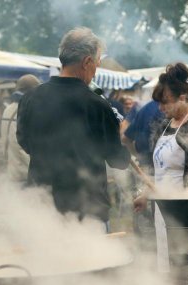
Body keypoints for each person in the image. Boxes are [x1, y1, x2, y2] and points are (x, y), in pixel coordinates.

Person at [17, 27, 129, 224]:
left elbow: (24, 142)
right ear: (87, 62)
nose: (95, 71)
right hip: (86, 211)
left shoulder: (30, 98)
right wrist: (123, 139)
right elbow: (117, 160)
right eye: (97, 63)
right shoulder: (97, 104)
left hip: (41, 205)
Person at [133, 63, 188, 272]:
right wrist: (146, 194)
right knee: (166, 266)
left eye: (165, 102)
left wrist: (181, 205)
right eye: (159, 103)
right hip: (161, 210)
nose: (161, 108)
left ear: (183, 97)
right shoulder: (164, 125)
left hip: (186, 213)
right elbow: (158, 168)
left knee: (186, 269)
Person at [0, 75, 40, 184]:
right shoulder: (23, 110)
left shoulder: (8, 109)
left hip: (11, 169)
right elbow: (21, 146)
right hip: (23, 173)